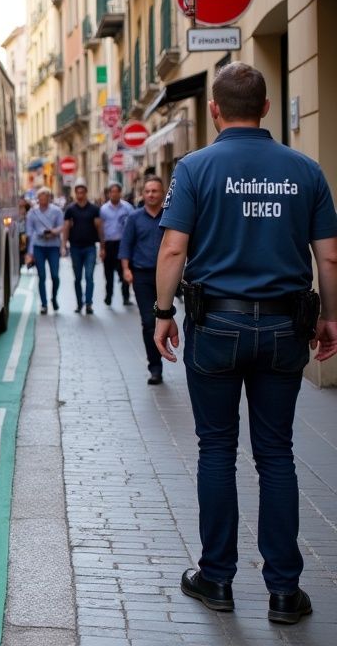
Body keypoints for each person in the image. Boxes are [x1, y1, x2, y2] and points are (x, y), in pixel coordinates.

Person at [154, 62, 337, 625]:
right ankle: (284, 591)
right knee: (276, 454)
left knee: (216, 451)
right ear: (265, 106)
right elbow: (328, 255)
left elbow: (172, 250)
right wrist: (331, 317)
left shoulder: (196, 168)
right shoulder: (305, 169)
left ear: (214, 109)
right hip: (285, 329)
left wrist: (163, 314)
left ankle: (217, 579)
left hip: (216, 328)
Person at [118, 175, 167, 384]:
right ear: (142, 194)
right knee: (149, 322)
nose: (151, 195)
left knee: (165, 317)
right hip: (142, 275)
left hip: (167, 276)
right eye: (147, 191)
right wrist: (126, 269)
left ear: (162, 193)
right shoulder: (134, 218)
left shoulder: (171, 216)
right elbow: (126, 244)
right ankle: (155, 367)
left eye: (155, 191)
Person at [63, 180, 102, 314]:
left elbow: (99, 227)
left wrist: (103, 246)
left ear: (86, 193)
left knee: (89, 276)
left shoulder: (94, 209)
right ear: (75, 193)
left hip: (90, 247)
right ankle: (79, 303)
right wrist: (63, 245)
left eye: (82, 192)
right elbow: (66, 227)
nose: (80, 195)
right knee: (78, 277)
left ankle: (89, 303)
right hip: (75, 248)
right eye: (78, 192)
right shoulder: (70, 209)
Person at [24, 187, 63, 315]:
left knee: (55, 276)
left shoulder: (57, 211)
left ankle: (54, 297)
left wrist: (54, 232)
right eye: (41, 196)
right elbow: (30, 233)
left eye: (46, 196)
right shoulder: (32, 213)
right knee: (41, 276)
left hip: (53, 246)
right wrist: (30, 253)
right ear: (38, 198)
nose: (43, 199)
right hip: (38, 246)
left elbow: (62, 226)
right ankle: (44, 304)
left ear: (49, 197)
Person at [99, 182, 134, 307]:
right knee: (108, 273)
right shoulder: (103, 209)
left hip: (123, 243)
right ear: (109, 194)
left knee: (124, 270)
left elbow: (132, 227)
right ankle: (109, 296)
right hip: (109, 244)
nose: (114, 194)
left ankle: (126, 297)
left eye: (116, 191)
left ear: (120, 193)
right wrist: (102, 248)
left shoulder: (128, 208)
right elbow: (101, 229)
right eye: (112, 192)